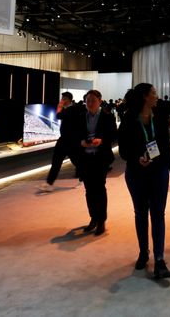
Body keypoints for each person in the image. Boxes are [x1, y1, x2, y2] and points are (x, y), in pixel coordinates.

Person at [118, 84, 170, 279]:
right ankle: (143, 252)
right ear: (144, 97)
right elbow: (123, 150)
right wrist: (136, 159)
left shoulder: (159, 117)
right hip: (136, 173)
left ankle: (159, 259)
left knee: (158, 214)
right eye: (154, 94)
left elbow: (165, 145)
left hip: (159, 171)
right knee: (141, 213)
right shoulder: (129, 119)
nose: (156, 97)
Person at [63, 90, 117, 235]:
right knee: (89, 190)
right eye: (88, 100)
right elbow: (74, 135)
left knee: (99, 188)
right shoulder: (80, 117)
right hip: (85, 158)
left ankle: (101, 220)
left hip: (100, 157)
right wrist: (81, 142)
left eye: (93, 100)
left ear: (100, 101)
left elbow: (113, 134)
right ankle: (93, 217)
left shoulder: (107, 116)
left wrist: (102, 140)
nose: (90, 103)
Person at [40, 92, 80, 191]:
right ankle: (49, 183)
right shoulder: (69, 109)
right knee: (57, 162)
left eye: (64, 99)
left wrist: (59, 107)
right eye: (62, 99)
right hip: (64, 140)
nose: (62, 101)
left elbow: (58, 116)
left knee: (77, 161)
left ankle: (84, 179)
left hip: (70, 141)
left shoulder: (72, 109)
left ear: (69, 100)